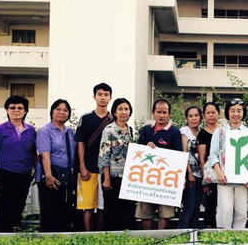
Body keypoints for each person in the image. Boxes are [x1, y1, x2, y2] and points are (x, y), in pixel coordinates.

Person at [0, 95, 37, 232]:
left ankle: (15, 241)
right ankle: (1, 242)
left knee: (18, 209)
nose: (16, 110)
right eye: (12, 107)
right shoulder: (0, 130)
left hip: (23, 176)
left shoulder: (31, 131)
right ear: (7, 110)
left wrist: (35, 171)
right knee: (3, 212)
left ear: (25, 111)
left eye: (20, 108)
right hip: (4, 175)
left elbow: (34, 153)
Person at [135, 98, 182, 230]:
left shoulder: (175, 132)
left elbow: (178, 156)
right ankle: (147, 241)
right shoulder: (145, 130)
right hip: (146, 178)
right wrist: (146, 147)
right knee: (145, 213)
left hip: (166, 179)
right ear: (153, 113)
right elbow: (137, 152)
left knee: (165, 213)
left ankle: (161, 241)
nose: (161, 115)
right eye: (158, 112)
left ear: (169, 113)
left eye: (164, 112)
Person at [75, 82, 113, 231]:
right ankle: (87, 235)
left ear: (110, 98)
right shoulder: (86, 118)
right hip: (88, 168)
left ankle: (100, 235)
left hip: (106, 171)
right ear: (94, 97)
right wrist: (82, 166)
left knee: (103, 206)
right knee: (88, 206)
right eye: (100, 94)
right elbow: (80, 143)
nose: (103, 98)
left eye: (106, 95)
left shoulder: (113, 120)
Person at [209, 98, 248, 228]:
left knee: (241, 212)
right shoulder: (220, 131)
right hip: (224, 178)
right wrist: (219, 172)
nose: (236, 114)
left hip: (242, 180)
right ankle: (223, 239)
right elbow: (213, 154)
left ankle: (238, 240)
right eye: (232, 111)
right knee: (225, 210)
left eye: (239, 110)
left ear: (243, 112)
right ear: (228, 112)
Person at [36, 99, 76, 232]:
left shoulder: (70, 132)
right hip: (50, 174)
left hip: (66, 175)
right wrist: (48, 175)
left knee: (64, 211)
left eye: (65, 110)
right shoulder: (45, 131)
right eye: (58, 109)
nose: (62, 112)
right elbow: (44, 155)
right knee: (49, 211)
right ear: (52, 112)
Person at [99, 98, 136, 231]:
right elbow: (104, 155)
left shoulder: (130, 130)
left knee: (128, 210)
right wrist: (107, 178)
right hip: (112, 176)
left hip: (128, 178)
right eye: (120, 109)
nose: (124, 112)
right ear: (114, 112)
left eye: (126, 109)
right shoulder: (109, 130)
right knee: (112, 211)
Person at [178, 106, 203, 228]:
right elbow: (183, 153)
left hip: (200, 175)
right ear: (187, 118)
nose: (194, 118)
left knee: (197, 207)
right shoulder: (184, 131)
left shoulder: (201, 132)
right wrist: (190, 174)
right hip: (189, 176)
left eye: (196, 115)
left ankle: (194, 236)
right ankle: (181, 234)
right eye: (190, 116)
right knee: (189, 206)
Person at [197, 102, 221, 228]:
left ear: (219, 113)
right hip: (211, 176)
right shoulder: (202, 134)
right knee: (211, 204)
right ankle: (210, 232)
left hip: (224, 174)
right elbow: (202, 159)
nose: (211, 115)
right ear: (204, 115)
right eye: (208, 113)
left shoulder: (224, 130)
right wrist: (205, 182)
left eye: (213, 112)